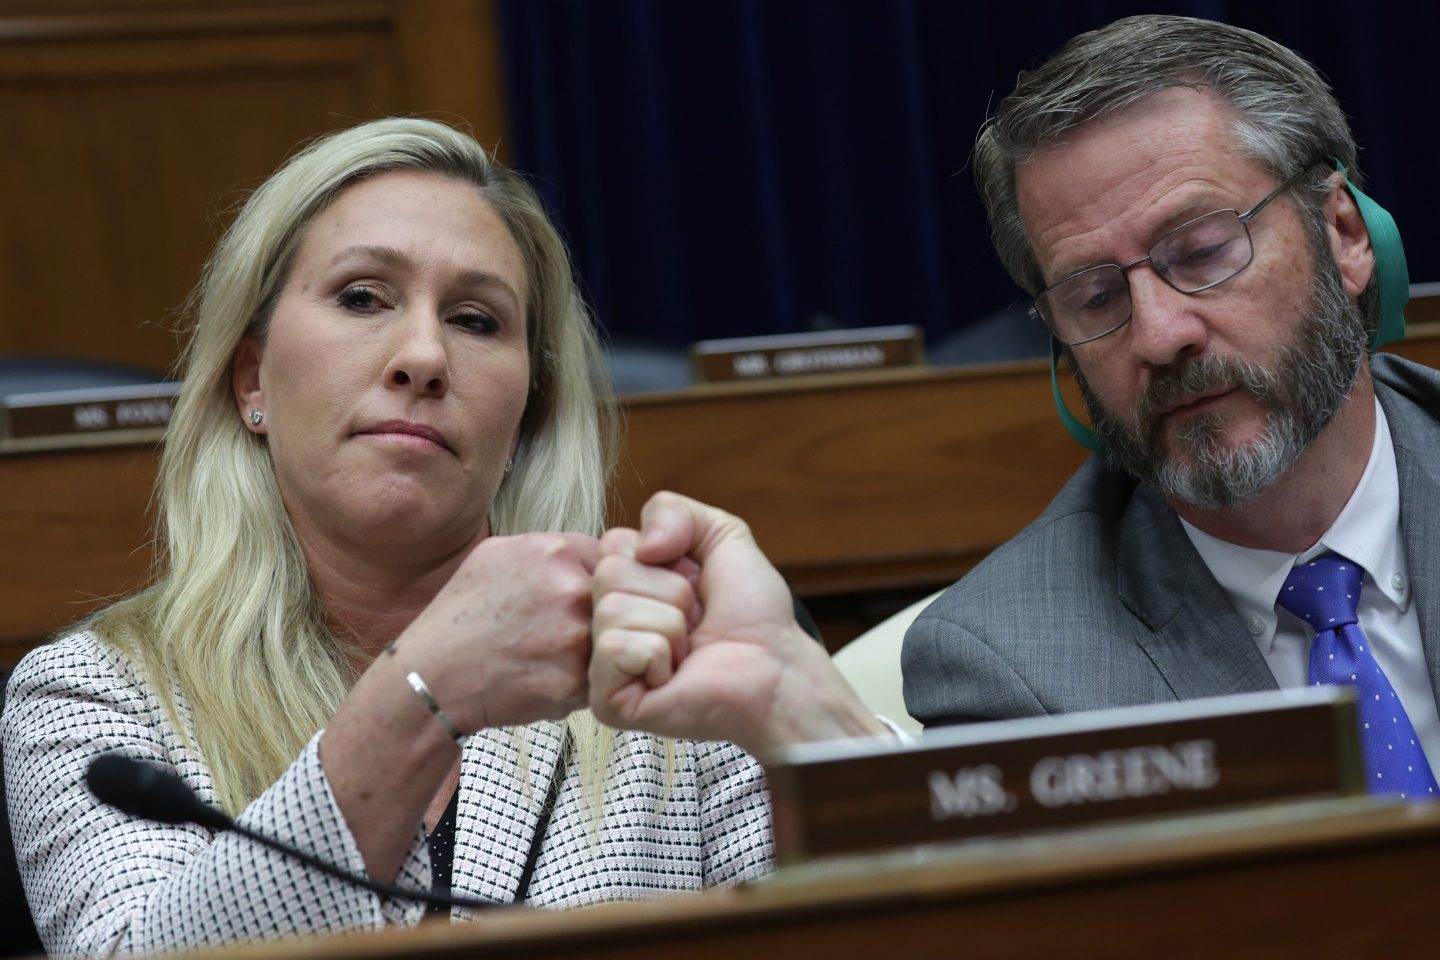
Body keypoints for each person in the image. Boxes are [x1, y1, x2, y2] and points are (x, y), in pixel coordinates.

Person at [2, 117, 885, 958]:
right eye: (362, 297)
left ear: (526, 419)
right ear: (250, 381)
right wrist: (420, 693)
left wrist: (802, 708)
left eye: (475, 320)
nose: (423, 356)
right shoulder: (96, 701)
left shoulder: (660, 666)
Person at [900, 15, 1440, 799]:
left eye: (1202, 252)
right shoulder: (1013, 668)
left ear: (1345, 235)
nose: (1158, 336)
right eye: (1095, 295)